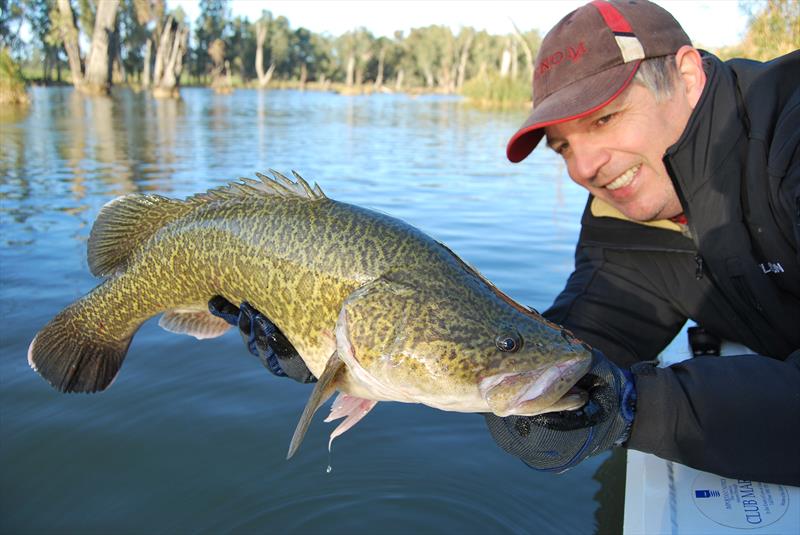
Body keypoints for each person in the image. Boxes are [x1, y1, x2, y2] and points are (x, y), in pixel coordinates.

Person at [210, 0, 800, 486]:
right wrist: (340, 358)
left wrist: (637, 407)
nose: (585, 167)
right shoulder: (624, 221)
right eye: (563, 147)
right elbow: (571, 348)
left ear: (688, 77)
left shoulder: (789, 137)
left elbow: (614, 392)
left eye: (604, 119)